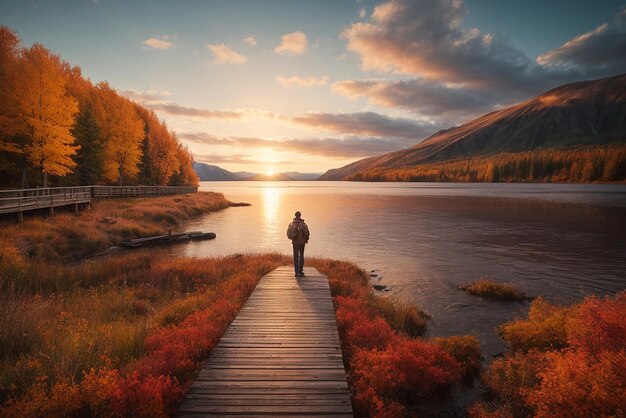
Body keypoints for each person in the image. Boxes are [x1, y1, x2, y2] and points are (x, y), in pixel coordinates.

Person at [287, 211, 310, 277]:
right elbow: (306, 233)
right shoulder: (303, 224)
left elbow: (289, 234)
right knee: (301, 256)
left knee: (295, 256)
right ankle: (300, 271)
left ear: (295, 216)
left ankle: (296, 272)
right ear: (300, 215)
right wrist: (306, 239)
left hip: (294, 242)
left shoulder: (292, 224)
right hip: (302, 243)